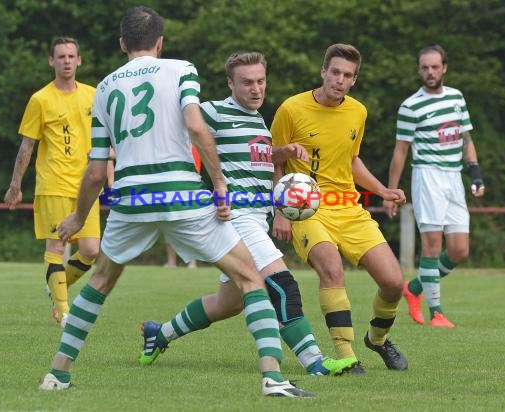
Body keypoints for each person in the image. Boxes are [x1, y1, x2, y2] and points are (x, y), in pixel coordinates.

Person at [38, 6, 311, 398]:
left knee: (99, 282)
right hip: (181, 194)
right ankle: (273, 378)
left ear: (121, 44)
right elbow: (196, 127)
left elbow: (97, 171)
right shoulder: (181, 69)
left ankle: (58, 374)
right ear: (160, 42)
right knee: (251, 278)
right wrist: (218, 182)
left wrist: (78, 217)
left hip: (131, 199)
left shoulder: (104, 89)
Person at [139, 51, 357, 377]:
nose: (256, 89)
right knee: (282, 284)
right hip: (237, 218)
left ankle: (160, 334)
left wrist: (281, 152)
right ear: (230, 83)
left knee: (229, 303)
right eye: (247, 83)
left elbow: (255, 157)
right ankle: (315, 362)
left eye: (260, 81)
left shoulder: (258, 120)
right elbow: (173, 123)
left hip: (258, 219)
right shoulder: (215, 111)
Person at [270, 43, 409, 373]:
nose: (340, 80)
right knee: (332, 269)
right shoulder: (291, 109)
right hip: (306, 208)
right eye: (335, 72)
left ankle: (376, 340)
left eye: (347, 75)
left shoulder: (357, 112)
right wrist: (279, 210)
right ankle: (346, 355)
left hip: (348, 208)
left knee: (393, 283)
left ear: (354, 80)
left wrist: (383, 191)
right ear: (323, 72)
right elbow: (273, 159)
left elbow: (351, 161)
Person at [4, 36, 108, 327]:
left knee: (90, 250)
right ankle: (63, 311)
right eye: (60, 56)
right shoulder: (40, 99)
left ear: (79, 60)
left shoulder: (93, 95)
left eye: (71, 56)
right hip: (53, 184)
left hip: (87, 185)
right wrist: (15, 184)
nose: (66, 61)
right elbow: (27, 147)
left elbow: (105, 137)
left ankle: (56, 286)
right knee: (57, 247)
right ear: (51, 61)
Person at [384, 45, 485, 328]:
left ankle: (413, 288)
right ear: (419, 70)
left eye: (435, 67)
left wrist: (475, 174)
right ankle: (436, 312)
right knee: (431, 245)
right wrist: (391, 191)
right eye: (425, 67)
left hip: (454, 178)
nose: (430, 72)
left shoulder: (456, 97)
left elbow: (467, 139)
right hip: (427, 176)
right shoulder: (410, 106)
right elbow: (401, 151)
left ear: (444, 68)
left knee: (459, 251)